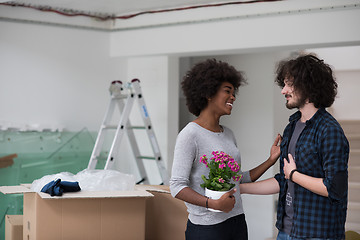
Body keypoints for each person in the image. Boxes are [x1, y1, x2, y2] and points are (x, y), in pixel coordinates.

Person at [169, 58, 281, 240]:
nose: (233, 97)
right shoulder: (189, 135)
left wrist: (270, 161)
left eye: (234, 92)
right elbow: (176, 186)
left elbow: (236, 178)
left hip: (236, 220)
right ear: (209, 93)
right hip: (207, 228)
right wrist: (212, 203)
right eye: (227, 91)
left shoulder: (228, 134)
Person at [240, 54, 349, 240]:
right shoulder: (291, 127)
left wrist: (294, 175)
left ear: (308, 86)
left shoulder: (329, 131)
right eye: (284, 84)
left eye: (289, 84)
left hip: (318, 234)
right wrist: (240, 188)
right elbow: (284, 180)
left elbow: (335, 189)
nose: (283, 91)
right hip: (286, 230)